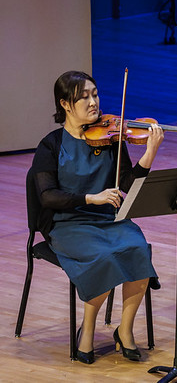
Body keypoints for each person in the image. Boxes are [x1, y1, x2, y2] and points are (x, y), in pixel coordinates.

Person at [31, 71, 164, 364]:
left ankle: (125, 331)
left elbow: (128, 182)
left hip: (109, 219)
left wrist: (149, 154)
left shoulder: (111, 137)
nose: (94, 102)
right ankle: (87, 331)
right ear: (66, 104)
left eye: (95, 94)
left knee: (138, 250)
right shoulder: (51, 145)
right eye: (84, 97)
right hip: (68, 224)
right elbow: (47, 196)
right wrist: (92, 197)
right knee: (103, 257)